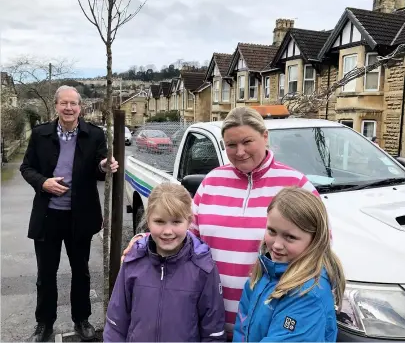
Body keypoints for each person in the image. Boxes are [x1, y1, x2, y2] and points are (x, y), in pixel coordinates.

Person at [122, 106, 319, 337]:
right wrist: (144, 240)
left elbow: (318, 249)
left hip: (266, 325)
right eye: (231, 145)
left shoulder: (296, 184)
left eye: (248, 141)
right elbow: (184, 238)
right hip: (206, 319)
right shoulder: (212, 182)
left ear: (265, 136)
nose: (240, 151)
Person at [20, 85, 119, 342]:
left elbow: (99, 167)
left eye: (73, 103)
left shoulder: (94, 135)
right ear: (56, 106)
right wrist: (43, 182)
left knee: (81, 271)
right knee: (46, 274)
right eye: (63, 103)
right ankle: (44, 323)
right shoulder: (41, 133)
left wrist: (105, 165)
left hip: (80, 217)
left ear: (80, 107)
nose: (68, 108)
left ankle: (82, 319)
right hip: (48, 216)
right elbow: (26, 167)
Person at [104, 183, 226, 342]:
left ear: (189, 221)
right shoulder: (132, 262)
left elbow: (213, 333)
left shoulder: (203, 268)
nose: (168, 231)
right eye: (160, 222)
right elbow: (115, 324)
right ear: (148, 220)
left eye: (176, 222)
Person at [233, 186, 345, 342]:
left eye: (290, 237)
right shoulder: (264, 274)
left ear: (315, 240)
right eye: (272, 231)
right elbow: (241, 329)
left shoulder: (308, 295)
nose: (277, 245)